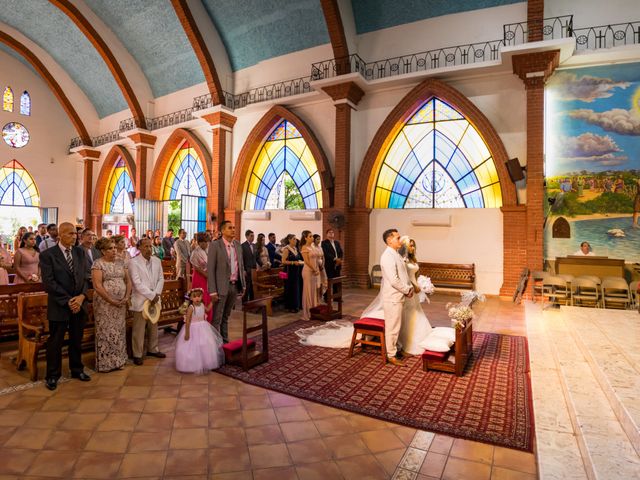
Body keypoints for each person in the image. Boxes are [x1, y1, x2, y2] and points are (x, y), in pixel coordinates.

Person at [40, 222, 91, 390]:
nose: (74, 236)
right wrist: (69, 300)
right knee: (56, 341)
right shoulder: (48, 255)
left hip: (79, 304)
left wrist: (81, 297)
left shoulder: (80, 252)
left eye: (75, 234)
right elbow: (49, 283)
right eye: (70, 234)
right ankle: (53, 375)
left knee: (76, 339)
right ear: (60, 235)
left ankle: (77, 369)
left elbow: (85, 277)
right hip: (60, 305)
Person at [91, 237, 130, 372]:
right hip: (104, 304)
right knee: (106, 331)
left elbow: (128, 281)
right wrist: (110, 300)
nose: (114, 250)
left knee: (119, 331)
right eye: (110, 248)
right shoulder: (98, 264)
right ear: (103, 251)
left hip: (120, 303)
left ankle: (119, 360)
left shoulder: (121, 262)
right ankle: (106, 363)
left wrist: (126, 296)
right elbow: (97, 285)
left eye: (114, 248)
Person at [128, 238, 166, 365]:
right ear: (139, 248)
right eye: (146, 246)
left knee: (153, 325)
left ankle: (153, 349)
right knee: (139, 328)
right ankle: (137, 354)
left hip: (155, 299)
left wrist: (157, 293)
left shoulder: (157, 261)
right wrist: (151, 295)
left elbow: (161, 278)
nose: (149, 249)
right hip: (141, 299)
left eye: (150, 246)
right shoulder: (134, 262)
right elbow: (136, 283)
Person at [379, 228, 413, 366]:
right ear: (389, 240)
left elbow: (402, 275)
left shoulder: (395, 254)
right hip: (393, 297)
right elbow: (393, 280)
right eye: (397, 238)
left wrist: (408, 289)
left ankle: (397, 348)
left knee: (398, 325)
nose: (400, 240)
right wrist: (406, 290)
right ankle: (391, 355)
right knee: (392, 327)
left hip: (399, 295)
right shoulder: (387, 256)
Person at [207, 220, 245, 343]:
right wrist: (212, 290)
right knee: (217, 317)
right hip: (220, 286)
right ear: (223, 231)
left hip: (234, 285)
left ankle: (225, 340)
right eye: (230, 228)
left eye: (234, 227)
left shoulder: (238, 245)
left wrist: (243, 285)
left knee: (226, 316)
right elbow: (211, 269)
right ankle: (214, 344)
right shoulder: (215, 245)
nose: (233, 229)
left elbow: (240, 265)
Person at [397, 237, 433, 355]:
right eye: (410, 245)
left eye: (413, 245)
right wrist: (414, 286)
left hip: (415, 289)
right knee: (408, 314)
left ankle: (423, 337)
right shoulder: (403, 259)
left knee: (416, 312)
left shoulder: (412, 259)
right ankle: (405, 342)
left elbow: (413, 274)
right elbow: (404, 276)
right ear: (405, 247)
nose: (412, 247)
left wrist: (422, 284)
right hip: (408, 290)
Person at [175, 288, 224, 374]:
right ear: (190, 298)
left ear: (202, 297)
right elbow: (187, 322)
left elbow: (208, 309)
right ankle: (193, 364)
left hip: (203, 327)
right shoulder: (191, 308)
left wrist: (212, 302)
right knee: (193, 347)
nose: (197, 298)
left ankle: (205, 363)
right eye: (194, 297)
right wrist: (187, 333)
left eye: (199, 296)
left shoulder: (201, 305)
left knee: (205, 345)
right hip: (192, 329)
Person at [190, 232, 212, 323]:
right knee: (201, 297)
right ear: (199, 243)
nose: (205, 244)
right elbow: (196, 267)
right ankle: (199, 319)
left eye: (206, 242)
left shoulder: (207, 250)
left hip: (207, 277)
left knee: (208, 297)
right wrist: (207, 275)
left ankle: (208, 320)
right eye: (203, 242)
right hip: (199, 277)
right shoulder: (196, 252)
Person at [281, 234, 304, 313]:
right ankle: (290, 306)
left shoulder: (295, 249)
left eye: (295, 239)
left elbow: (299, 258)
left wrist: (300, 262)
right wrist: (293, 262)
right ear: (289, 240)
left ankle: (296, 305)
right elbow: (283, 261)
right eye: (294, 239)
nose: (296, 240)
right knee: (290, 288)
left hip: (296, 271)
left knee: (296, 288)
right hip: (288, 271)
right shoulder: (286, 249)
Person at [300, 230, 319, 320]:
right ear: (305, 238)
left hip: (314, 271)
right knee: (307, 291)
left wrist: (317, 269)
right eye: (310, 236)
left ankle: (313, 311)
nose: (312, 238)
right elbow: (307, 261)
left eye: (312, 236)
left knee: (312, 291)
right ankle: (306, 313)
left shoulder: (312, 247)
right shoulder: (304, 247)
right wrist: (314, 269)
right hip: (308, 271)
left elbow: (316, 259)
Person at [321, 228, 343, 298]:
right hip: (329, 264)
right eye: (329, 232)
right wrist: (335, 259)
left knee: (336, 281)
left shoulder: (337, 242)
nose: (331, 234)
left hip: (337, 265)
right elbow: (326, 253)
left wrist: (340, 259)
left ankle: (336, 297)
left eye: (332, 232)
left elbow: (341, 252)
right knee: (328, 281)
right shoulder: (324, 243)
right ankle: (326, 297)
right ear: (326, 234)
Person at [241, 229, 257, 302]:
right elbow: (241, 259)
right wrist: (243, 269)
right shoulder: (243, 246)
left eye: (253, 236)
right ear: (247, 236)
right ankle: (244, 303)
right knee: (247, 287)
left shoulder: (254, 245)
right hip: (247, 269)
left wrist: (262, 265)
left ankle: (251, 302)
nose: (253, 237)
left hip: (254, 269)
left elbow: (256, 257)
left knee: (252, 287)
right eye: (251, 236)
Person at [312, 234, 328, 301]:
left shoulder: (320, 247)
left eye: (319, 239)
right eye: (317, 239)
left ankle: (321, 296)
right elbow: (313, 258)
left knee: (323, 281)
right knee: (317, 282)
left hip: (321, 266)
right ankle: (316, 298)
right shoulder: (312, 247)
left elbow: (323, 257)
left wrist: (323, 265)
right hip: (316, 266)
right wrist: (318, 265)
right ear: (314, 239)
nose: (319, 240)